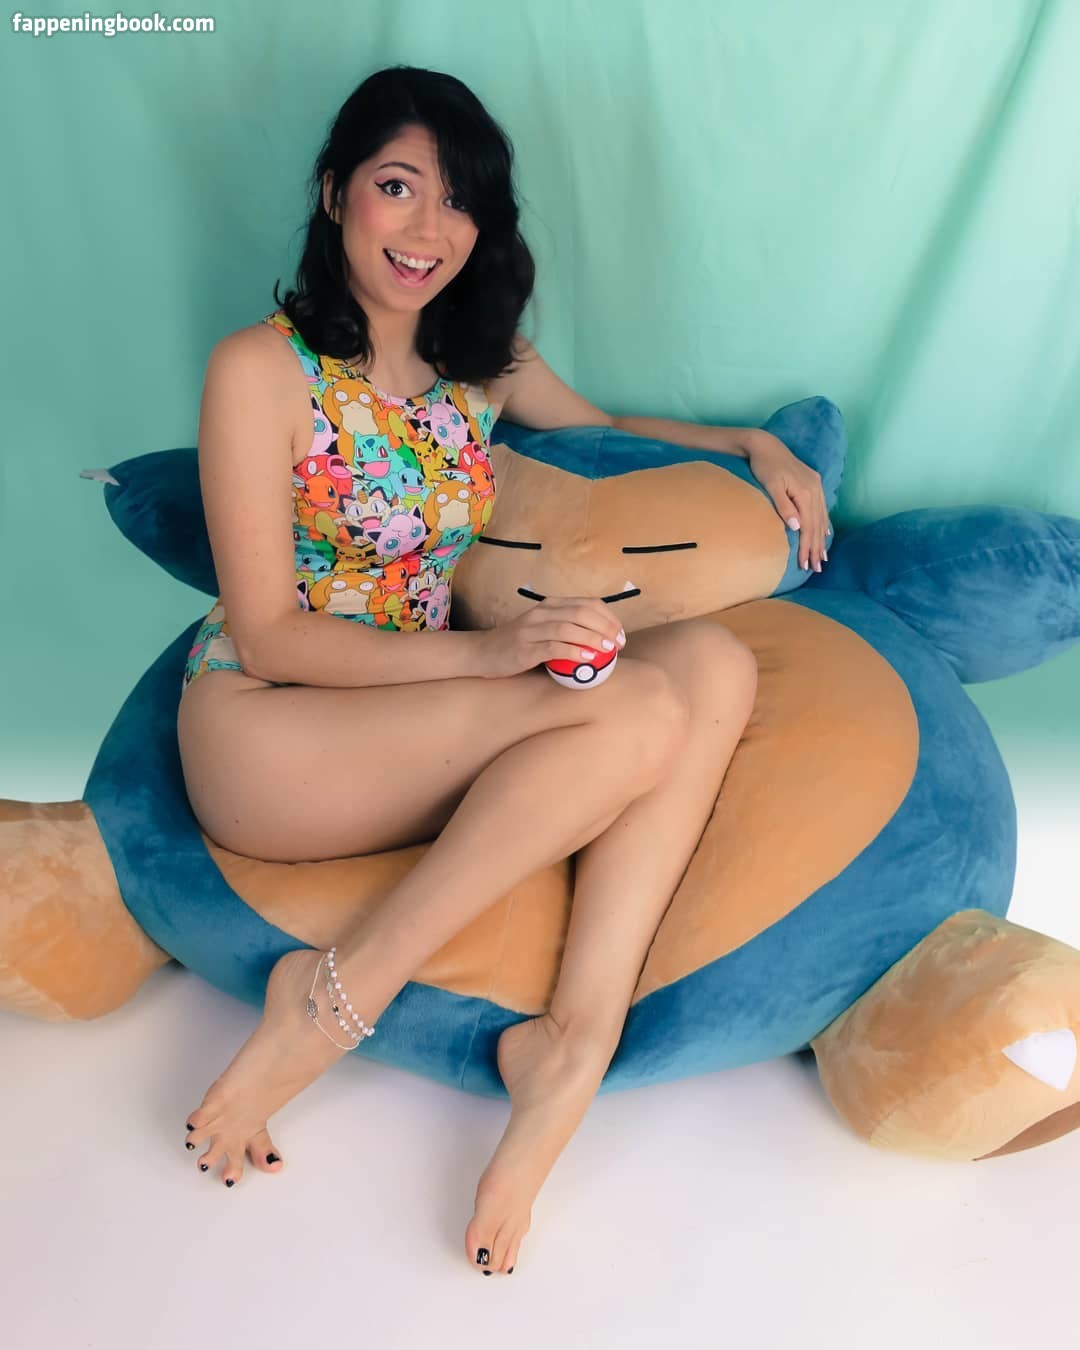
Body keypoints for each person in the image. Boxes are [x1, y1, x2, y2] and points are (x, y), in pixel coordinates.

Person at [176, 64, 829, 1278]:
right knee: (636, 709)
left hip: (428, 715)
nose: (427, 228)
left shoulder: (478, 360)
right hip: (272, 730)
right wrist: (491, 654)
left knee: (710, 663)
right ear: (334, 193)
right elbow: (267, 634)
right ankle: (332, 998)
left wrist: (752, 443)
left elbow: (603, 431)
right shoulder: (258, 370)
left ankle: (572, 1041)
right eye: (396, 187)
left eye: (458, 201)